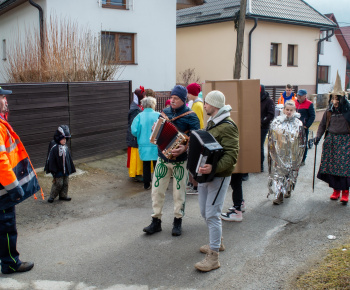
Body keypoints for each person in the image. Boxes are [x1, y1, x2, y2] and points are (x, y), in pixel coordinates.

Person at [143, 85, 200, 236]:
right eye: (172, 97)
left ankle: (177, 221)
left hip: (181, 160)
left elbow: (196, 138)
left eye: (175, 98)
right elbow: (156, 132)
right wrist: (154, 131)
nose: (172, 100)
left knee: (179, 192)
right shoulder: (164, 113)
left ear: (183, 99)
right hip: (162, 158)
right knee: (157, 191)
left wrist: (184, 148)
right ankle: (156, 221)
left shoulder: (191, 116)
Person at [195, 90, 239, 272]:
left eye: (206, 103)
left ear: (214, 105)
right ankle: (217, 242)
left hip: (218, 176)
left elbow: (232, 155)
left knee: (213, 214)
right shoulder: (213, 122)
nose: (204, 105)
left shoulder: (228, 126)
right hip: (207, 175)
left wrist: (214, 167)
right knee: (205, 212)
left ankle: (213, 258)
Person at [0, 86, 41, 274]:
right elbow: (1, 161)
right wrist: (14, 187)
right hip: (3, 190)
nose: (5, 100)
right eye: (2, 97)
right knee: (7, 227)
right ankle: (10, 263)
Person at [314, 73, 350, 204]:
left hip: (345, 141)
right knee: (332, 168)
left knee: (344, 168)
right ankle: (336, 191)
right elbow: (322, 125)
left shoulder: (348, 110)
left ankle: (345, 192)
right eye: (333, 98)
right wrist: (318, 137)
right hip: (331, 141)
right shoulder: (329, 111)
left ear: (342, 99)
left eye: (337, 99)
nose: (334, 101)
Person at [268, 100, 305, 205]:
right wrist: (273, 153)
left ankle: (288, 188)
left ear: (294, 110)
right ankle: (279, 196)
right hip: (280, 154)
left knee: (290, 173)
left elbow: (302, 141)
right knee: (279, 174)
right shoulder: (277, 122)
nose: (289, 112)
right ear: (283, 110)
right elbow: (271, 139)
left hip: (292, 154)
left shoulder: (298, 124)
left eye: (291, 110)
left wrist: (299, 155)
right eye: (287, 109)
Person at [131, 96, 160, 190]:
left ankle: (146, 184)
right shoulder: (158, 115)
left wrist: (139, 135)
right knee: (157, 165)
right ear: (153, 105)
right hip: (156, 144)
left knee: (146, 164)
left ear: (143, 105)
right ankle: (158, 184)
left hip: (143, 144)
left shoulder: (139, 116)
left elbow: (134, 130)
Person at [44, 125, 76, 203]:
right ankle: (52, 196)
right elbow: (51, 160)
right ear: (58, 138)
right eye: (63, 139)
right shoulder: (54, 147)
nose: (64, 141)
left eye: (65, 139)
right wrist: (53, 170)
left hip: (65, 169)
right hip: (58, 170)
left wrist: (70, 168)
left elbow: (68, 158)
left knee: (65, 183)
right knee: (58, 183)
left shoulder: (65, 147)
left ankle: (63, 195)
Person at [186, 83, 204, 194]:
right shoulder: (197, 104)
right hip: (196, 136)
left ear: (192, 93)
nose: (187, 95)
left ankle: (195, 186)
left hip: (196, 137)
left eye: (188, 92)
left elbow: (198, 123)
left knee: (194, 161)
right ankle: (192, 184)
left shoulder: (197, 105)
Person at [126, 86, 145, 182]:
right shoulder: (135, 109)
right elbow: (134, 125)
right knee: (136, 155)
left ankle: (138, 172)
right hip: (135, 136)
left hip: (136, 136)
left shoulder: (136, 107)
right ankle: (136, 173)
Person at [295, 89, 315, 166]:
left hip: (304, 127)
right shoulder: (295, 102)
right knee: (295, 143)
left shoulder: (309, 104)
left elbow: (312, 116)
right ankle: (296, 158)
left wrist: (307, 125)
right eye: (298, 95)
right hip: (295, 127)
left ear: (305, 96)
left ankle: (303, 159)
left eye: (300, 95)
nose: (299, 96)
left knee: (303, 143)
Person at [260, 84, 275, 172]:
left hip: (263, 127)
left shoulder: (269, 101)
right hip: (254, 127)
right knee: (255, 146)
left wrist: (262, 121)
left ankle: (260, 165)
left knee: (259, 145)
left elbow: (271, 115)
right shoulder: (255, 99)